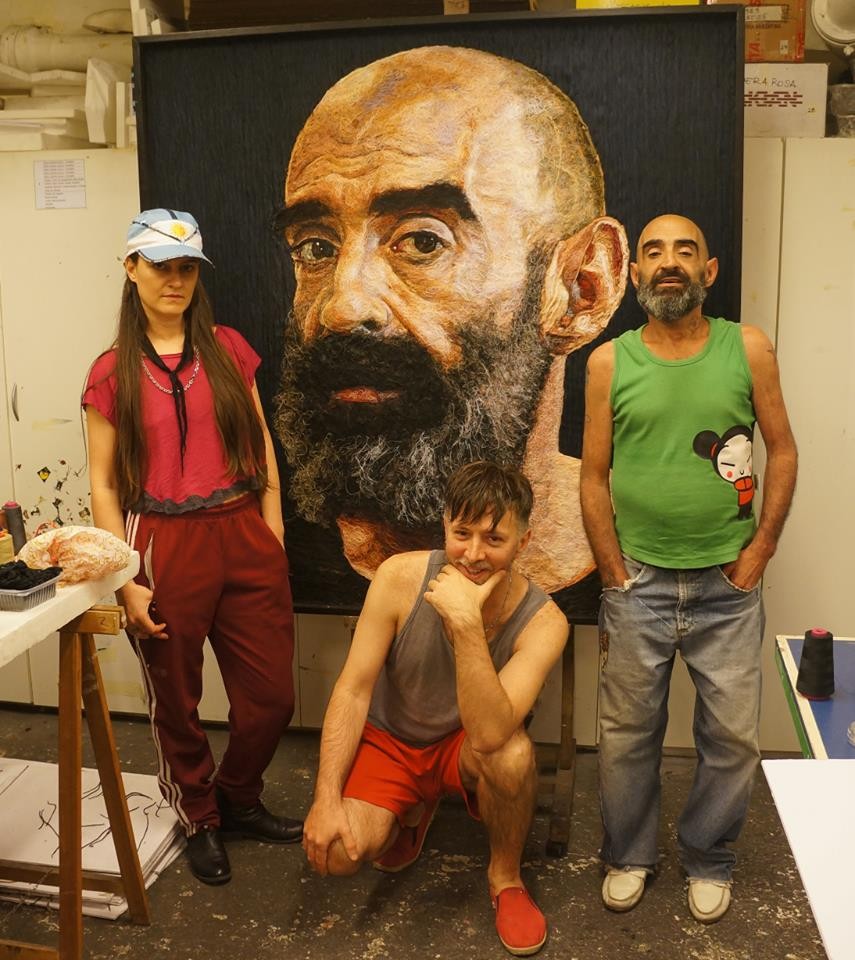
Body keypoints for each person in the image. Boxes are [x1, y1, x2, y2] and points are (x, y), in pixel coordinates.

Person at [273, 45, 629, 596]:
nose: (343, 308)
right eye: (317, 247)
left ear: (583, 288)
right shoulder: (278, 553)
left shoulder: (642, 541)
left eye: (422, 241)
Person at [580, 214, 798, 923]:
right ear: (634, 273)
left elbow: (782, 450)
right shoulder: (608, 363)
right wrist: (612, 573)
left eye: (684, 250)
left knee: (731, 739)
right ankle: (628, 855)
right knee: (625, 737)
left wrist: (759, 551)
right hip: (637, 585)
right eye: (653, 252)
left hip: (726, 589)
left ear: (708, 271)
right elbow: (591, 476)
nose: (667, 261)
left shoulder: (748, 347)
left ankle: (708, 857)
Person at [83, 208, 302, 886]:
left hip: (242, 529)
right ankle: (199, 816)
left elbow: (262, 444)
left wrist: (272, 530)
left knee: (272, 699)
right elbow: (102, 483)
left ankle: (238, 795)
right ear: (131, 268)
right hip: (162, 541)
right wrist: (123, 578)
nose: (174, 280)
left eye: (185, 268)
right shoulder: (111, 372)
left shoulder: (229, 350)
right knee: (175, 699)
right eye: (159, 266)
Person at [302, 460, 568, 956]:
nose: (473, 554)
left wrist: (466, 623)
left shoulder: (545, 622)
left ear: (523, 542)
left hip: (464, 745)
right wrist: (326, 797)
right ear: (445, 526)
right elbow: (353, 689)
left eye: (494, 539)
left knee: (513, 756)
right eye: (462, 533)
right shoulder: (398, 576)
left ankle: (506, 878)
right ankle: (410, 809)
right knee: (336, 854)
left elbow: (489, 735)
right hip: (392, 741)